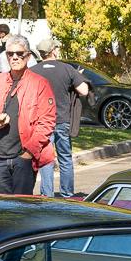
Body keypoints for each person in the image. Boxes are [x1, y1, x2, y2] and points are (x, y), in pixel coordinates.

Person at [0, 35, 56, 195]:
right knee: (4, 211)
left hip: (24, 157)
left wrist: (27, 155)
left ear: (28, 56)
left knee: (21, 210)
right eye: (10, 53)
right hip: (0, 157)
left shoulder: (40, 83)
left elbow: (47, 122)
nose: (14, 57)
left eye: (20, 53)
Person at [35, 44, 90, 196]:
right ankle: (67, 194)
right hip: (62, 119)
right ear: (53, 51)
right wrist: (76, 77)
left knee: (46, 159)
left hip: (42, 121)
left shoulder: (33, 71)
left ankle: (47, 195)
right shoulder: (67, 69)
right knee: (65, 158)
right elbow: (84, 91)